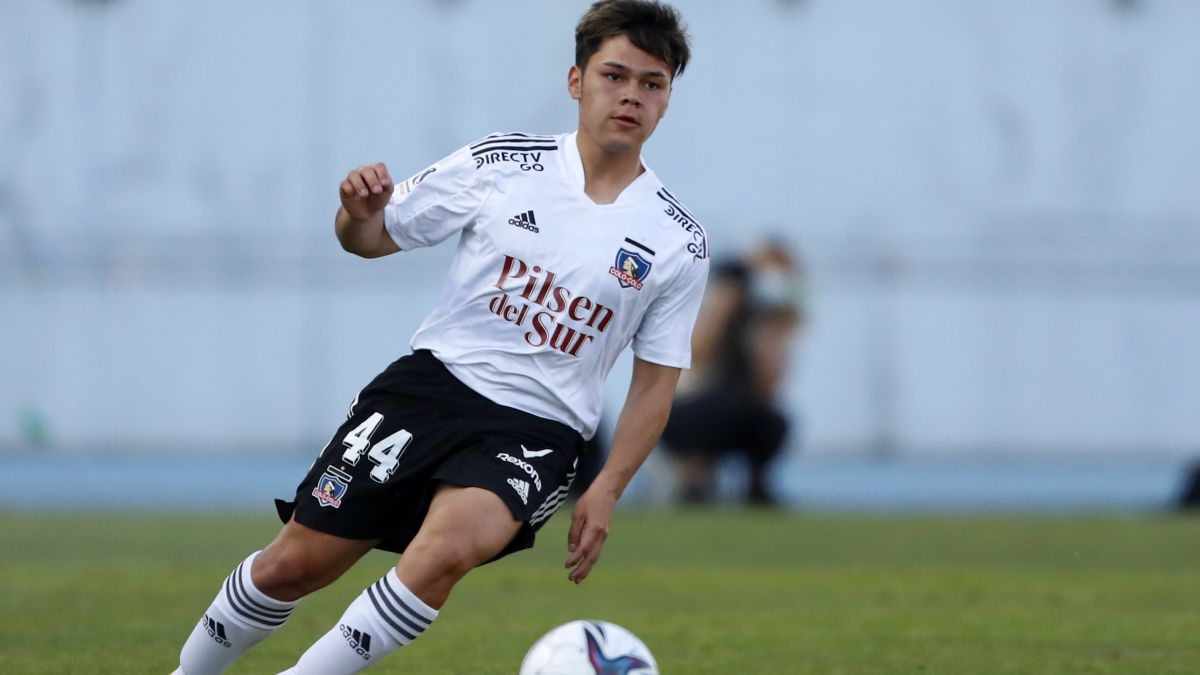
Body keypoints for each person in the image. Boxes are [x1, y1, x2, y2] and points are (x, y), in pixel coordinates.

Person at [170, 2, 707, 673]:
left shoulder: (677, 241)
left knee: (445, 552)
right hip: (430, 389)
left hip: (537, 429)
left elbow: (656, 384)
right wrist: (356, 213)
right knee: (295, 563)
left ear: (666, 100)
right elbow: (369, 239)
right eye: (615, 75)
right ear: (577, 81)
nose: (631, 95)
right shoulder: (501, 163)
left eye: (651, 83)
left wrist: (605, 489)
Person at [659, 239, 806, 506]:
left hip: (737, 410)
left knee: (771, 420)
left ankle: (757, 482)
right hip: (689, 409)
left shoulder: (759, 326)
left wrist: (775, 330)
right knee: (723, 405)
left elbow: (768, 389)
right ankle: (694, 479)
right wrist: (726, 303)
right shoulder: (702, 306)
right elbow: (696, 354)